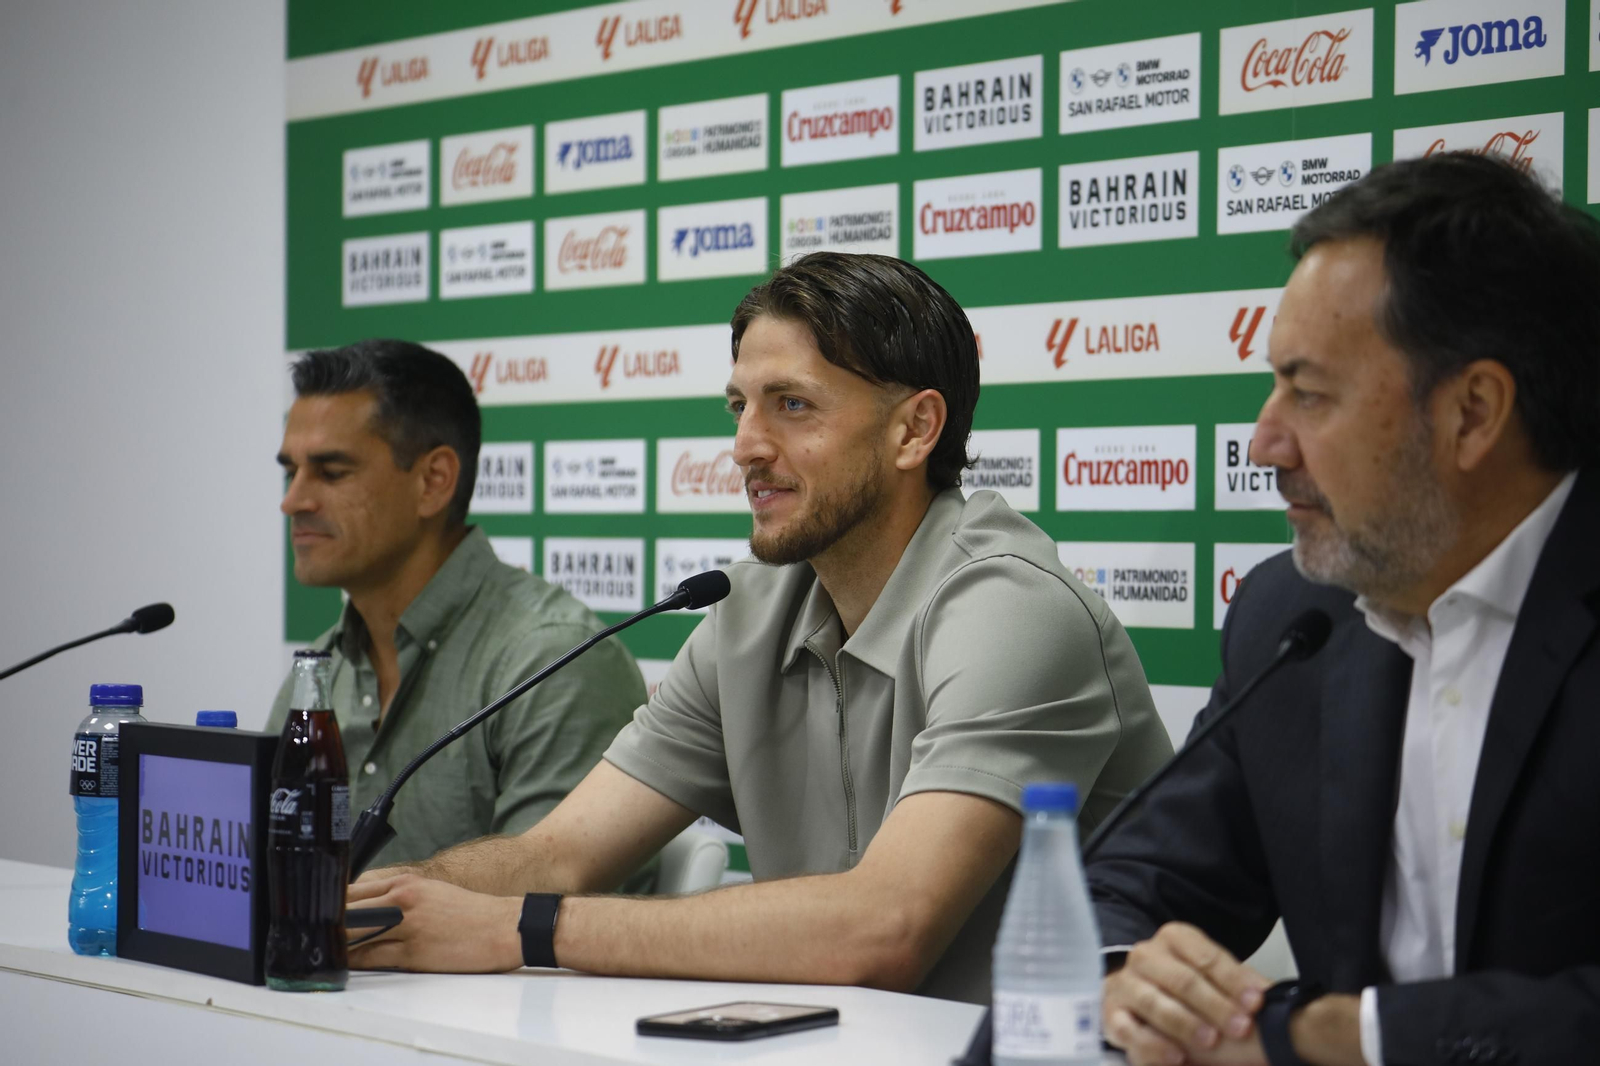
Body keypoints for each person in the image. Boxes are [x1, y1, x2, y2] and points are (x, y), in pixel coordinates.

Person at [346, 252, 1173, 1003]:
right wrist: (355, 907)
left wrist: (523, 928)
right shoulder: (746, 614)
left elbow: (887, 928)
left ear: (914, 430)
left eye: (792, 405)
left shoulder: (1011, 608)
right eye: (739, 406)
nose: (745, 446)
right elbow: (559, 855)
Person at [1088, 153, 1600, 1066]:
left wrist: (1335, 1037)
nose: (1264, 441)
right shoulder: (1290, 618)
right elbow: (1132, 879)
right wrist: (1126, 975)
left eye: (1310, 393)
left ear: (1473, 412)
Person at [270, 340, 650, 878]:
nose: (293, 501)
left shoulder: (551, 660)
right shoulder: (318, 671)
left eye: (331, 472)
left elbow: (545, 905)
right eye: (291, 472)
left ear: (433, 482)